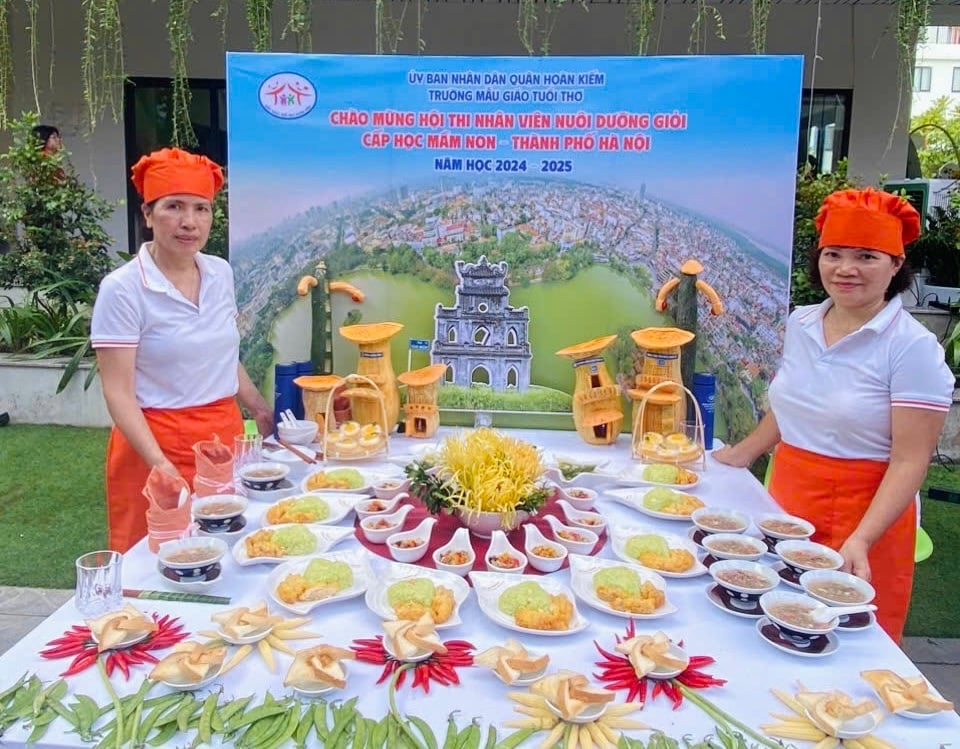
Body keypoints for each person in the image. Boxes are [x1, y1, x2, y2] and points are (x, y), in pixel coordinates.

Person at [713, 187, 954, 643]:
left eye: (866, 256)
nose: (846, 269)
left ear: (896, 265)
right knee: (771, 617)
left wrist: (862, 539)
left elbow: (910, 460)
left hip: (867, 510)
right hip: (788, 496)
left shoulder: (912, 347)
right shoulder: (801, 323)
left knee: (843, 636)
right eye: (834, 254)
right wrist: (741, 455)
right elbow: (793, 407)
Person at [91, 147, 273, 553]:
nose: (189, 222)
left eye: (201, 209)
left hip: (221, 436)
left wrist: (259, 408)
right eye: (174, 207)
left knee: (226, 552)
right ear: (148, 214)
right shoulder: (123, 289)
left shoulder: (219, 273)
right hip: (153, 442)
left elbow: (223, 354)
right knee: (158, 559)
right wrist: (160, 464)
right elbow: (117, 391)